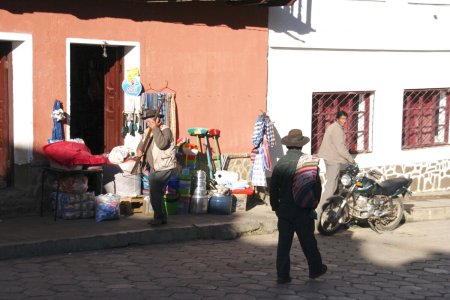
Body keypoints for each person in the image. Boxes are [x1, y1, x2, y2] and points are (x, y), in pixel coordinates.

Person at [270, 129, 327, 284]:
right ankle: (315, 269)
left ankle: (283, 275)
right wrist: (312, 204)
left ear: (288, 146)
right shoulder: (308, 163)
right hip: (303, 209)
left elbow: (273, 188)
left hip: (285, 210)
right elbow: (317, 187)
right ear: (301, 146)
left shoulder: (281, 163)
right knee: (308, 241)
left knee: (284, 244)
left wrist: (276, 207)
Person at [137, 108, 177, 227]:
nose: (148, 123)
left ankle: (159, 218)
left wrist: (155, 129)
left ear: (157, 120)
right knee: (156, 192)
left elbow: (162, 144)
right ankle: (161, 217)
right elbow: (142, 144)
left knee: (155, 192)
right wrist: (139, 150)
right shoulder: (148, 131)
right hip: (154, 166)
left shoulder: (166, 130)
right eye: (147, 121)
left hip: (164, 166)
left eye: (150, 121)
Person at [317, 110, 355, 222]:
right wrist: (351, 159)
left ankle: (329, 206)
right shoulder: (337, 129)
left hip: (328, 157)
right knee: (331, 185)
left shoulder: (333, 127)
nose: (344, 121)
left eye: (345, 119)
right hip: (333, 159)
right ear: (337, 118)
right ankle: (320, 210)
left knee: (333, 183)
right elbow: (340, 148)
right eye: (342, 118)